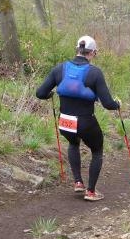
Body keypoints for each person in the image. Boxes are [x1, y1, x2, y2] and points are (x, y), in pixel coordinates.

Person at [36, 35, 121, 201]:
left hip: (64, 122)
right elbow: (108, 104)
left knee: (73, 143)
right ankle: (91, 192)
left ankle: (78, 182)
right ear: (93, 53)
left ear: (77, 49)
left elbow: (40, 93)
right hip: (85, 122)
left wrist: (50, 94)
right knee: (97, 150)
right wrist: (117, 104)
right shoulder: (95, 73)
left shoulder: (59, 69)